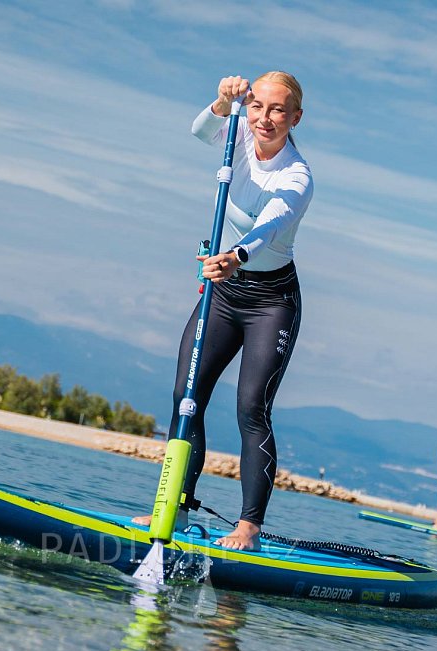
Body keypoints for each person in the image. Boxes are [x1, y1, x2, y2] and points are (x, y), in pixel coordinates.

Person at [134, 72, 313, 551]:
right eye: (257, 106)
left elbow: (274, 223)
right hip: (223, 291)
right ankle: (176, 503)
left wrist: (238, 255)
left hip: (270, 300)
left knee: (251, 407)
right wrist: (222, 101)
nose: (265, 118)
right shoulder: (236, 133)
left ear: (295, 118)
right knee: (186, 395)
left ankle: (248, 527)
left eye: (278, 110)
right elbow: (200, 131)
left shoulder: (297, 176)